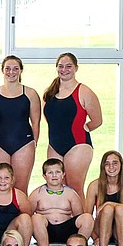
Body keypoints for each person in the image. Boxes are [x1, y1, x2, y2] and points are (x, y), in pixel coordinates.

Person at [43, 52, 103, 199]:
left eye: (69, 66)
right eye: (61, 66)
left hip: (78, 145)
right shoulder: (49, 92)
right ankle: (62, 221)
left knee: (74, 187)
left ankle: (82, 221)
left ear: (76, 68)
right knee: (57, 187)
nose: (64, 69)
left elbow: (97, 120)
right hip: (54, 145)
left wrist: (85, 128)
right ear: (56, 68)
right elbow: (49, 118)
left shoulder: (84, 91)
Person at [0, 56, 41, 193]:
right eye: (8, 69)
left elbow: (36, 122)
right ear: (2, 71)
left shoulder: (30, 93)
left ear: (21, 70)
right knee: (0, 187)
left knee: (20, 189)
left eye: (15, 68)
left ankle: (22, 215)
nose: (11, 72)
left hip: (24, 144)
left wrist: (33, 143)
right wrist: (2, 134)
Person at [29, 158, 94, 246]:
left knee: (87, 217)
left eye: (57, 172)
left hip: (67, 232)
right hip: (46, 232)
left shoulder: (71, 193)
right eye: (50, 172)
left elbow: (79, 215)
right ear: (44, 176)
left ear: (63, 174)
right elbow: (27, 216)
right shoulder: (37, 194)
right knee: (35, 218)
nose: (54, 175)